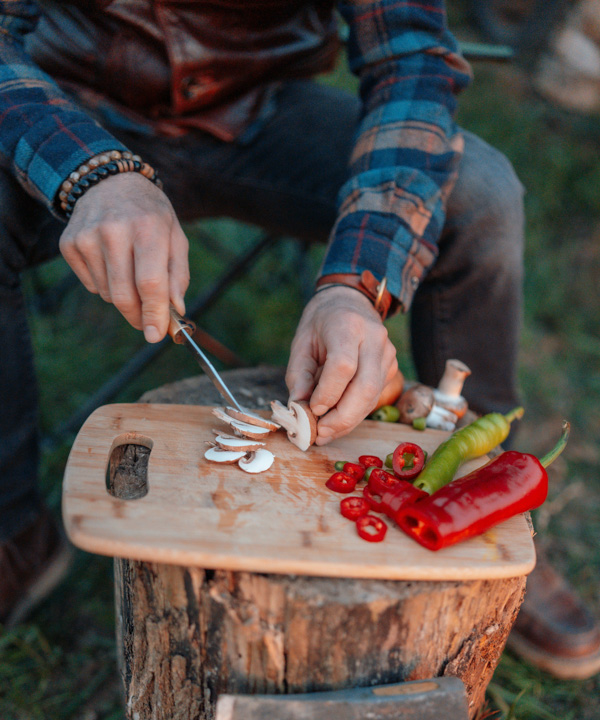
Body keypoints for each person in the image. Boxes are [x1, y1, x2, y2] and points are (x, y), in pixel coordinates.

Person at [0, 0, 598, 678]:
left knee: (482, 196)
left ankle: (487, 503)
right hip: (70, 105)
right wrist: (89, 169)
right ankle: (12, 537)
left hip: (261, 112)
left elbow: (411, 58)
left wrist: (357, 285)